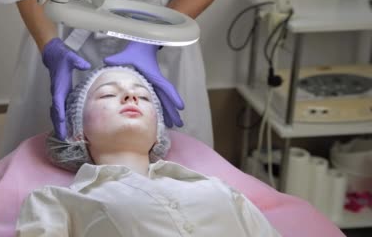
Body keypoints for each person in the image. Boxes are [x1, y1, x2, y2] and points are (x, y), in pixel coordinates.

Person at [1, 0, 256, 154]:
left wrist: (153, 42)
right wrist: (50, 46)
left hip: (162, 34)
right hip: (61, 27)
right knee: (44, 168)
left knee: (169, 179)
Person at [16, 66, 280, 236]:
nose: (131, 97)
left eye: (143, 96)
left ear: (158, 133)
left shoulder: (219, 189)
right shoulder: (57, 202)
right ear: (77, 131)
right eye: (107, 94)